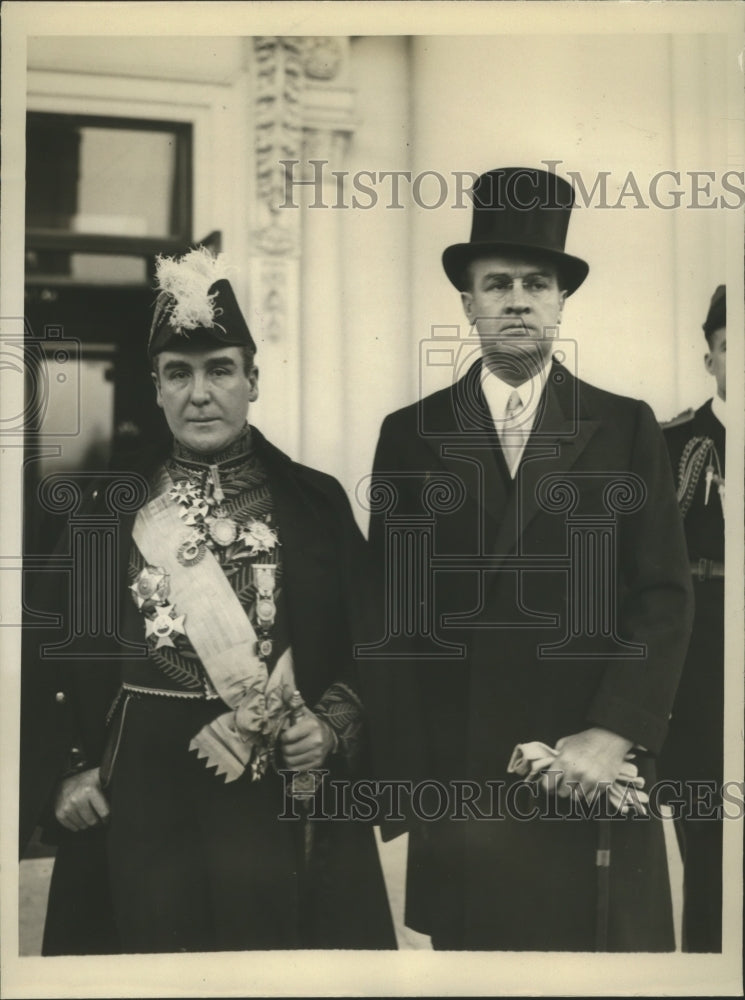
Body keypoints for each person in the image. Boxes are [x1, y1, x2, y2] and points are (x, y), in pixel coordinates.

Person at [20, 247, 396, 953]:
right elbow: (35, 661)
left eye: (220, 370)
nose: (200, 393)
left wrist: (332, 730)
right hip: (135, 800)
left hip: (277, 787)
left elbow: (374, 648)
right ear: (155, 387)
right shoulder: (100, 510)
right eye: (179, 374)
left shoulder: (315, 504)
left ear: (252, 380)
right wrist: (60, 776)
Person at [366, 167, 693, 951]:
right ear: (468, 302)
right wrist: (411, 783)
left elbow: (661, 595)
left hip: (589, 769)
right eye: (498, 282)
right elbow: (393, 617)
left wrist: (614, 733)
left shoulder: (622, 427)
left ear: (559, 300)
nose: (517, 299)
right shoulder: (410, 435)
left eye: (536, 283)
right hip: (468, 781)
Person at [659, 285, 726, 952]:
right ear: (709, 357)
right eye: (730, 348)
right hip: (703, 685)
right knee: (706, 861)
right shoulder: (672, 442)